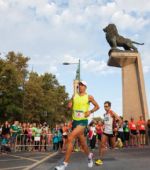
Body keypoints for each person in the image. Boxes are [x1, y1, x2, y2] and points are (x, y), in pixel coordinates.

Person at [55, 81, 99, 170]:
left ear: (85, 87)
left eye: (82, 85)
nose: (80, 86)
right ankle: (89, 156)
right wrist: (69, 105)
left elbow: (97, 106)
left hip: (83, 121)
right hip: (75, 121)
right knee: (83, 143)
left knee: (70, 138)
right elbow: (70, 105)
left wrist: (90, 111)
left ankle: (64, 164)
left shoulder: (89, 97)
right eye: (79, 85)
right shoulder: (74, 95)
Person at [95, 101, 121, 166]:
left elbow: (120, 120)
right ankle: (100, 160)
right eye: (104, 106)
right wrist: (102, 124)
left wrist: (117, 128)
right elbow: (105, 122)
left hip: (112, 132)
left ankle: (118, 142)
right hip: (105, 132)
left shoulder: (112, 113)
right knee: (102, 145)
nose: (105, 107)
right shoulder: (105, 114)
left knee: (113, 147)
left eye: (106, 106)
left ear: (109, 107)